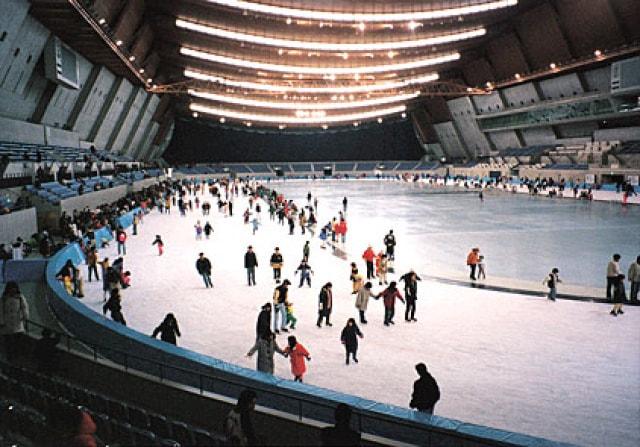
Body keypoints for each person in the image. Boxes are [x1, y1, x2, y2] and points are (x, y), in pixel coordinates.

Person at [0, 281, 29, 361]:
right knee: (8, 343)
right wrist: (1, 322)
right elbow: (1, 311)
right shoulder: (3, 299)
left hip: (17, 323)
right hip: (7, 323)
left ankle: (16, 357)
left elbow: (24, 307)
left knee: (17, 343)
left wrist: (25, 316)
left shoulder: (20, 297)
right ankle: (10, 358)